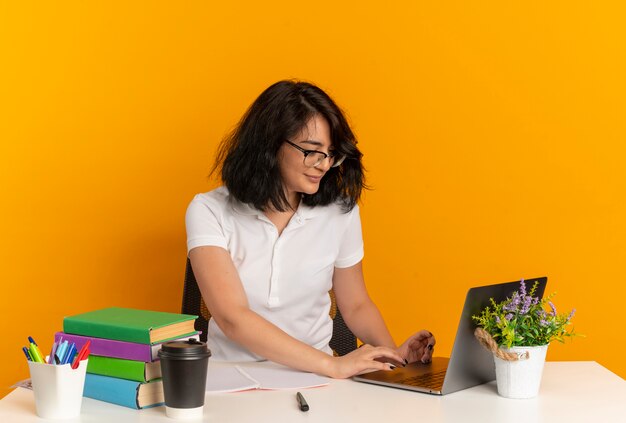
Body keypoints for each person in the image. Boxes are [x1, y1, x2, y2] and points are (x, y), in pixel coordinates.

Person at [185, 80, 435, 378]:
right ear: (270, 144)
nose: (324, 165)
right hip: (231, 378)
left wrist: (394, 358)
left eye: (331, 154)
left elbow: (355, 305)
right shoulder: (209, 210)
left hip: (316, 382)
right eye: (312, 151)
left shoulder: (340, 212)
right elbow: (232, 318)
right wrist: (332, 365)